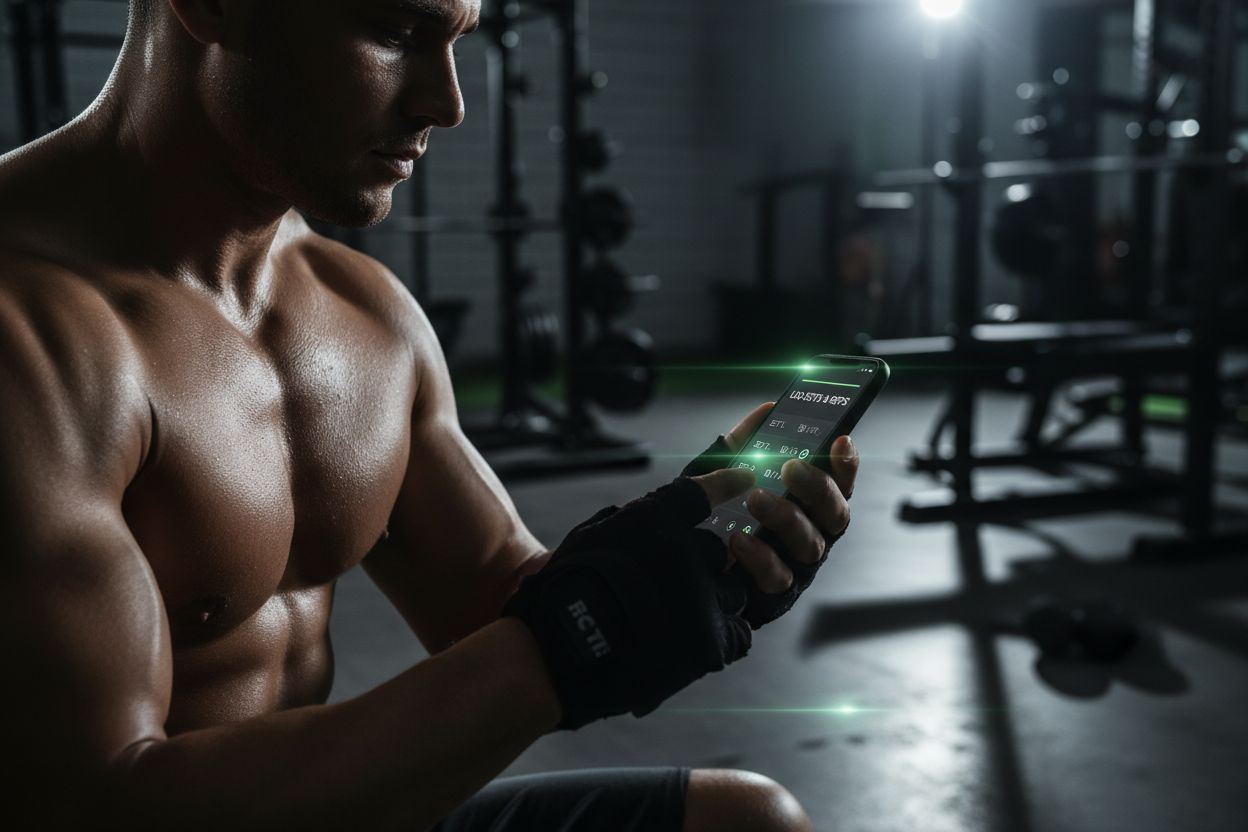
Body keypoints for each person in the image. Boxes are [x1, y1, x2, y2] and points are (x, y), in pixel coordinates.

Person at [0, 1, 857, 828]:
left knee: (745, 820)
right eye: (394, 30)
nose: (445, 103)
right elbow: (94, 803)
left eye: (455, 39)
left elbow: (493, 595)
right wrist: (579, 636)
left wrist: (699, 545)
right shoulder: (30, 330)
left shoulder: (361, 309)